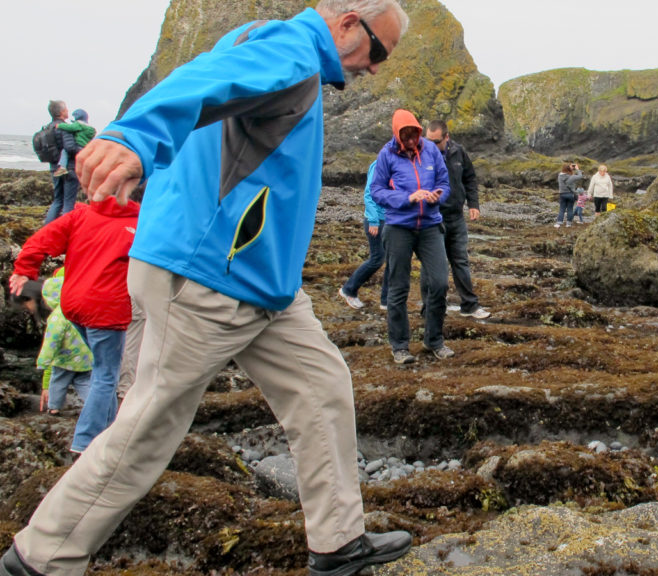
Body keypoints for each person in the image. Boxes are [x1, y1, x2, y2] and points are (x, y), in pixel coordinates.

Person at [0, 3, 414, 576]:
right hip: (207, 276)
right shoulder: (293, 50)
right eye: (379, 50)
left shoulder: (278, 49)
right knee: (148, 429)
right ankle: (37, 558)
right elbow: (203, 84)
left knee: (322, 387)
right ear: (347, 22)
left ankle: (338, 542)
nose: (376, 67)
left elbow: (213, 95)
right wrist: (132, 137)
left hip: (262, 284)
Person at [11, 191, 139, 454]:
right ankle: (86, 441)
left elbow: (39, 241)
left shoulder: (82, 214)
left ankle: (110, 427)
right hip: (107, 310)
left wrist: (24, 271)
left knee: (102, 367)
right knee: (106, 375)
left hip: (72, 305)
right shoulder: (141, 225)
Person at [372, 109, 452, 364]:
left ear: (419, 131)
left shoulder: (430, 150)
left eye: (413, 134)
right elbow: (377, 190)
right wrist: (406, 198)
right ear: (396, 134)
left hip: (430, 225)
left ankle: (433, 340)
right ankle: (400, 346)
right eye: (404, 135)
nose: (410, 140)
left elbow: (445, 183)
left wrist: (438, 194)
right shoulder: (386, 154)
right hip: (398, 227)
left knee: (439, 283)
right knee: (398, 288)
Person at [425, 119, 490, 319]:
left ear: (447, 137)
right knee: (435, 265)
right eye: (428, 140)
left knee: (460, 261)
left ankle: (469, 305)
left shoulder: (458, 152)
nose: (431, 145)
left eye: (436, 141)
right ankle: (431, 308)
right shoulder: (423, 153)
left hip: (456, 217)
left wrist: (473, 205)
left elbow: (469, 178)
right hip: (433, 218)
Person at [37, 268, 93, 416]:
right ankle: (92, 406)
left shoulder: (57, 317)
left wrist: (44, 361)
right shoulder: (80, 309)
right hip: (85, 357)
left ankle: (54, 407)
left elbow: (51, 342)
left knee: (58, 382)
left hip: (65, 359)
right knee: (84, 382)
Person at [339, 160, 389, 311]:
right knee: (377, 259)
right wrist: (373, 220)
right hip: (376, 221)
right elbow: (369, 194)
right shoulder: (379, 164)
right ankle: (348, 289)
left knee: (393, 260)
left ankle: (387, 301)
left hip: (390, 220)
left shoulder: (396, 164)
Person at [42, 100, 82, 224]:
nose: (67, 111)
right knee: (68, 202)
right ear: (60, 112)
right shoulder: (65, 128)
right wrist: (85, 150)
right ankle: (66, 231)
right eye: (66, 109)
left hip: (54, 167)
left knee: (57, 200)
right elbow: (70, 147)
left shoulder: (48, 127)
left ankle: (47, 229)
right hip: (68, 169)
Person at [54, 109, 96, 177]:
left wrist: (59, 125)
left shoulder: (79, 124)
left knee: (64, 151)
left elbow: (70, 127)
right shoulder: (90, 128)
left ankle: (63, 167)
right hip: (85, 148)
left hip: (78, 145)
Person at [555, 162, 583, 228]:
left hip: (562, 194)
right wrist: (577, 169)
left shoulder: (560, 176)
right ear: (569, 169)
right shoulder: (571, 177)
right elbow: (580, 176)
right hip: (570, 194)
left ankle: (559, 222)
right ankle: (568, 223)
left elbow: (564, 172)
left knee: (562, 209)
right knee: (570, 209)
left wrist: (570, 168)